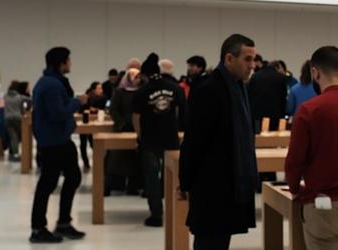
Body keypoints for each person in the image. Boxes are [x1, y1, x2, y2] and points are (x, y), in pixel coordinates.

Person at [284, 46, 338, 250]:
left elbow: (294, 161)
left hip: (322, 205)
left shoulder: (308, 110)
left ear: (314, 72)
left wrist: (295, 189)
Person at [179, 34, 259, 250]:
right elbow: (194, 140)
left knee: (220, 241)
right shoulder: (209, 89)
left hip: (229, 183)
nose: (252, 65)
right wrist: (185, 181)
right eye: (247, 59)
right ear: (229, 59)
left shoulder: (238, 87)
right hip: (211, 185)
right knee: (210, 242)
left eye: (253, 59)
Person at [29, 47, 87, 244]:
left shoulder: (49, 82)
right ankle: (38, 228)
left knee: (72, 177)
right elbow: (58, 113)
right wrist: (77, 102)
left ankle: (63, 222)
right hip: (54, 141)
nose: (70, 63)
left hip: (59, 139)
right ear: (61, 63)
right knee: (47, 183)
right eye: (68, 60)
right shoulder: (52, 85)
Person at [132, 53, 188, 227]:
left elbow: (136, 116)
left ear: (144, 74)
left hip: (150, 140)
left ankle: (156, 215)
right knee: (175, 176)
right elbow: (183, 112)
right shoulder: (175, 87)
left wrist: (140, 135)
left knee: (152, 178)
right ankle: (179, 212)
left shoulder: (142, 91)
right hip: (170, 138)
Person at [107, 67, 142, 196]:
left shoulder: (140, 92)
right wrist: (121, 123)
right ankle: (111, 185)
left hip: (136, 128)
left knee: (134, 159)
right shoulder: (119, 92)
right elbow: (113, 110)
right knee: (116, 158)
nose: (137, 80)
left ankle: (132, 187)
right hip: (122, 128)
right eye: (135, 77)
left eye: (139, 77)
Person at [248, 56, 291, 129]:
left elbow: (249, 95)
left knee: (258, 137)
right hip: (275, 115)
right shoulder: (281, 78)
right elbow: (283, 98)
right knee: (273, 137)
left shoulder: (255, 76)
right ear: (277, 68)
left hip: (257, 115)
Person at [4, 81, 30, 163]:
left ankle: (13, 153)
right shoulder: (20, 97)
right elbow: (29, 101)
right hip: (17, 118)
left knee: (13, 136)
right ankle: (17, 153)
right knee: (19, 136)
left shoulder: (6, 96)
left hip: (7, 118)